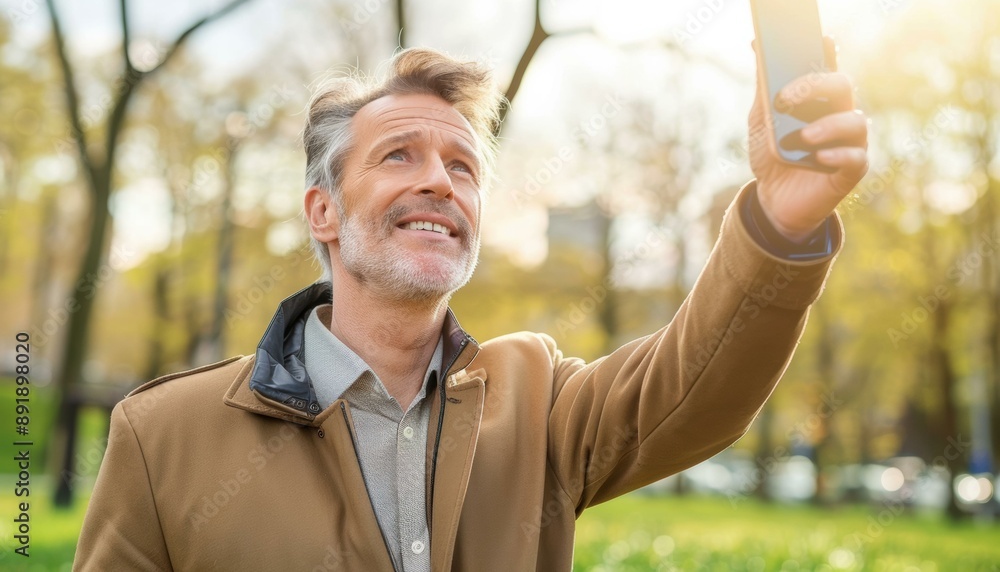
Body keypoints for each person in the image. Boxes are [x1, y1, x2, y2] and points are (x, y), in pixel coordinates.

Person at [74, 39, 868, 571]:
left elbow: (696, 390)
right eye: (399, 155)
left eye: (463, 165)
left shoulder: (540, 398)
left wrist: (780, 220)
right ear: (323, 211)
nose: (439, 182)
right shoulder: (162, 437)